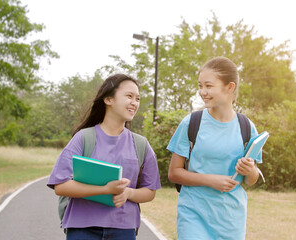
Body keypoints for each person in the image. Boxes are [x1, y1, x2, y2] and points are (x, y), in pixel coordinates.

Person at [47, 74, 161, 240]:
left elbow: (149, 191)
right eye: (129, 96)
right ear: (109, 99)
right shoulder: (83, 138)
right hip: (82, 228)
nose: (134, 103)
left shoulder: (141, 144)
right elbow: (61, 185)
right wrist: (106, 190)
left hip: (124, 228)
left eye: (137, 98)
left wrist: (128, 193)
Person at [167, 57, 261, 240]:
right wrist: (211, 180)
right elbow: (174, 173)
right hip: (193, 214)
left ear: (230, 87)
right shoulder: (191, 123)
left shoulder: (247, 127)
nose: (202, 92)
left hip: (231, 220)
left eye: (209, 86)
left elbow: (251, 180)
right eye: (200, 86)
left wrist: (250, 170)